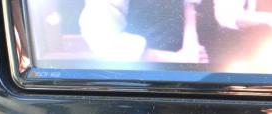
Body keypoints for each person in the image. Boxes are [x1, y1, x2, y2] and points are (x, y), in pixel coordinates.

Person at [79, 0, 209, 63]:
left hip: (186, 67)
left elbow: (189, 4)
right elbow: (102, 39)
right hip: (138, 76)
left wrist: (191, 46)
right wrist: (178, 59)